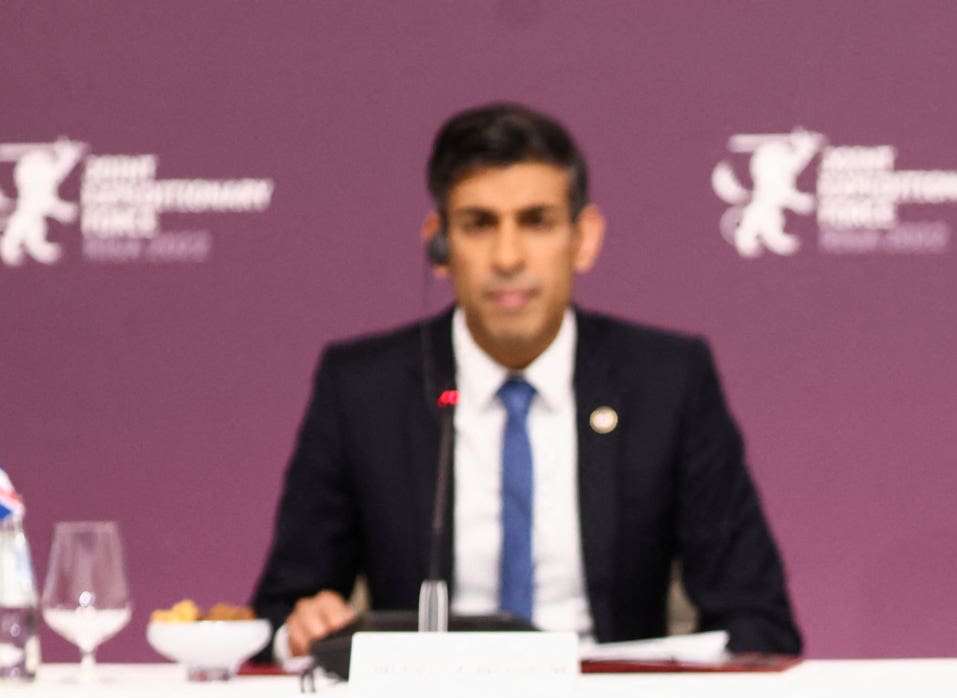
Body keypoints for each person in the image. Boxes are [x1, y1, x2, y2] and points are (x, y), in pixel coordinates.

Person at [250, 104, 801, 659]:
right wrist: (301, 626)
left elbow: (757, 618)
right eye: (479, 224)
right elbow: (282, 609)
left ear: (582, 237)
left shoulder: (667, 380)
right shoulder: (364, 390)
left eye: (536, 221)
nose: (508, 257)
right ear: (438, 245)